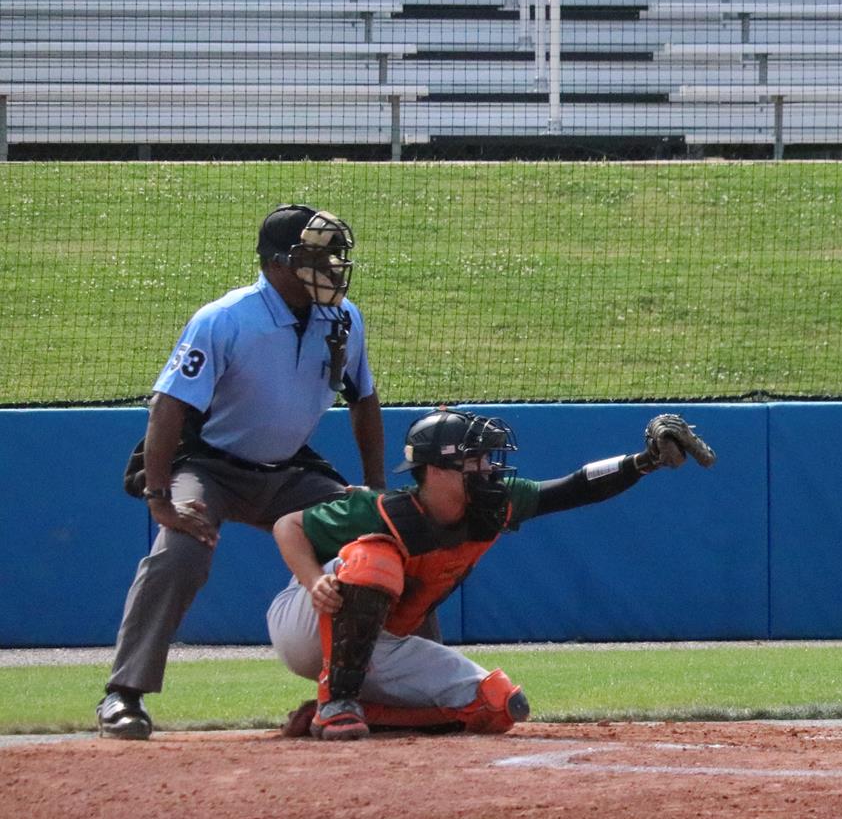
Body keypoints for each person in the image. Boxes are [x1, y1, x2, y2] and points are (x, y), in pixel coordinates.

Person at [97, 204, 384, 740]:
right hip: (209, 463)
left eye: (332, 253)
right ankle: (123, 694)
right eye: (313, 254)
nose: (329, 265)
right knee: (180, 551)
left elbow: (363, 401)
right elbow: (168, 407)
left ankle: (399, 687)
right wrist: (160, 498)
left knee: (384, 534)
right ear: (278, 262)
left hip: (289, 469)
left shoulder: (344, 317)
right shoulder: (226, 318)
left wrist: (376, 489)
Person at [267, 406, 715, 741]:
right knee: (374, 557)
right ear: (437, 470)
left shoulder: (494, 505)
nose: (490, 468)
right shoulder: (382, 510)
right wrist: (312, 580)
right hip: (308, 619)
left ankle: (359, 708)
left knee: (499, 706)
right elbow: (287, 525)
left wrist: (643, 461)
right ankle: (337, 703)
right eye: (475, 460)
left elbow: (574, 487)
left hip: (374, 641)